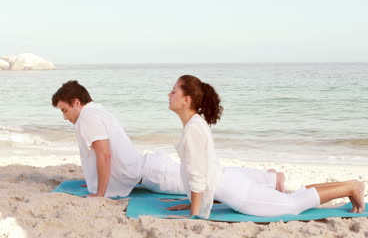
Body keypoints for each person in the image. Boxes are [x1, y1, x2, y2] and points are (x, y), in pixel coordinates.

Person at [167, 75, 366, 219]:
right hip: (231, 183)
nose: (169, 94)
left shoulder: (193, 127)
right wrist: (195, 201)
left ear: (187, 100)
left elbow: (197, 175)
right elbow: (202, 170)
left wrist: (194, 214)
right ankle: (349, 185)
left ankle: (351, 187)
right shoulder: (195, 123)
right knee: (294, 197)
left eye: (174, 91)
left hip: (239, 194)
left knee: (293, 205)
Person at [51, 80, 286, 197]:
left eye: (64, 110)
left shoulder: (88, 118)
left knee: (212, 182)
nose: (65, 117)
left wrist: (99, 194)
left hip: (154, 173)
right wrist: (95, 180)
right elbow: (104, 155)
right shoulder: (95, 111)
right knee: (211, 178)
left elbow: (104, 154)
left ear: (76, 103)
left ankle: (270, 180)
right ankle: (267, 178)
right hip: (149, 169)